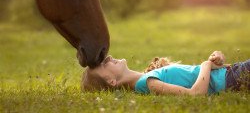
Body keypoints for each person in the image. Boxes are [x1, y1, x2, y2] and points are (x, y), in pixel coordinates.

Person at [81, 51, 250, 95]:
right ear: (111, 81)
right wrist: (206, 65)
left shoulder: (148, 77)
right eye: (104, 63)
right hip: (232, 80)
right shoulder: (149, 84)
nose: (108, 57)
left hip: (233, 72)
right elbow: (195, 94)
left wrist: (217, 59)